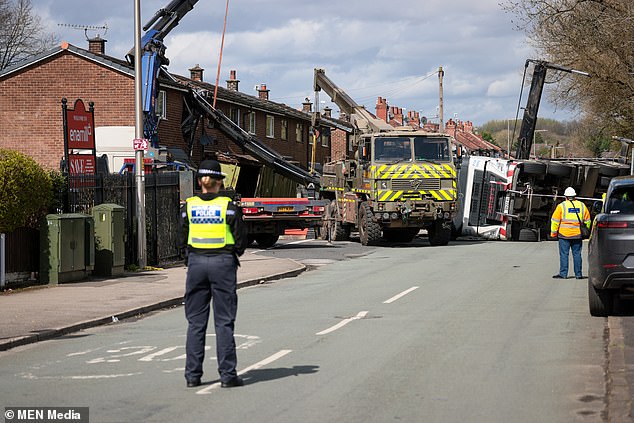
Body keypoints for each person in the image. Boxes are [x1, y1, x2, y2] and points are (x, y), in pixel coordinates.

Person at [180, 159, 248, 388]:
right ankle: (228, 376)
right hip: (223, 264)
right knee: (224, 322)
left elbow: (182, 237)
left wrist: (191, 255)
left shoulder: (188, 206)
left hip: (196, 265)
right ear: (219, 181)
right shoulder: (228, 206)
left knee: (196, 324)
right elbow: (241, 240)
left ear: (200, 181)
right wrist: (230, 252)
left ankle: (192, 376)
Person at [550, 187, 591, 279]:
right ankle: (578, 274)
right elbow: (588, 221)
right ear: (574, 196)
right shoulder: (582, 206)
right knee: (577, 254)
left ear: (566, 197)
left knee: (564, 254)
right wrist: (585, 231)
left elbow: (555, 221)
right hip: (577, 235)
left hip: (564, 235)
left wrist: (553, 233)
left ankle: (563, 274)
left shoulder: (561, 206)